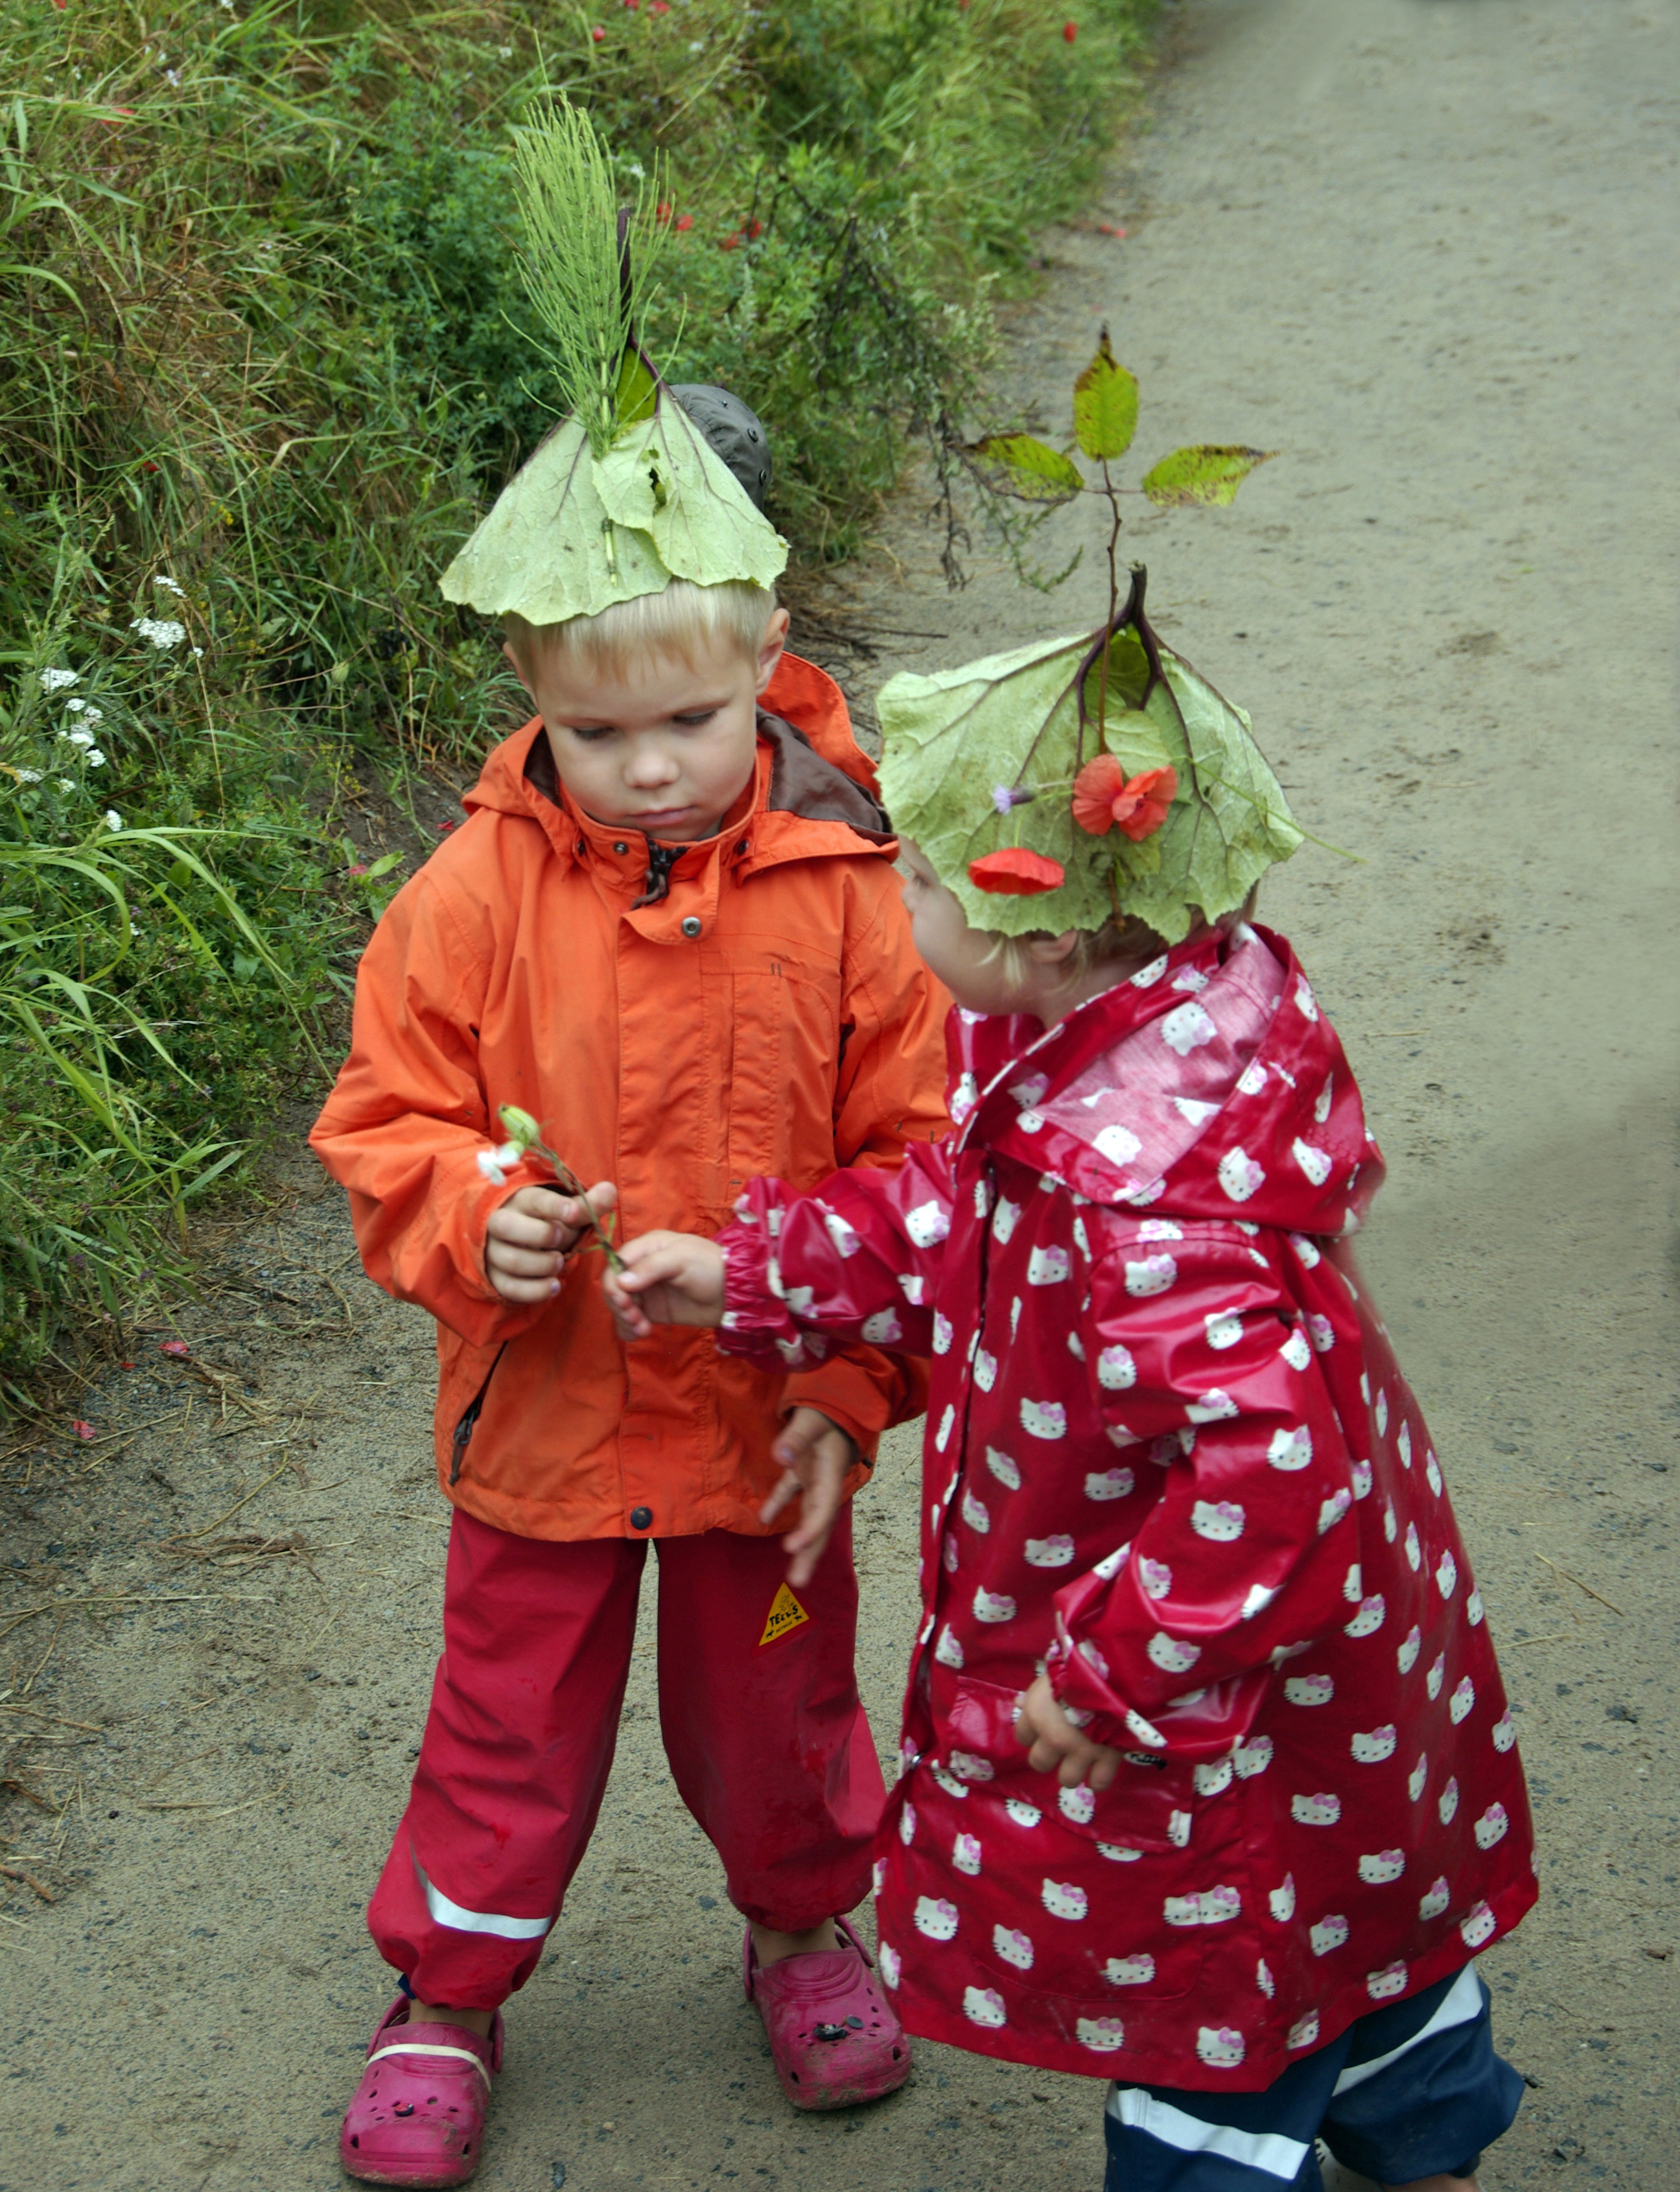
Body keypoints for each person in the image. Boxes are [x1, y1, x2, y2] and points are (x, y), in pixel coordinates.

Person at [605, 583, 1538, 2192]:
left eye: (914, 876)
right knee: (1354, 1934)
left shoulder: (1149, 1206)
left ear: (1029, 922)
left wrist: (1113, 1680)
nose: (897, 902)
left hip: (1211, 1714)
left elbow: (1271, 1472)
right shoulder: (1120, 1036)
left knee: (1218, 2023)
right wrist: (753, 1274)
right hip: (1326, 1701)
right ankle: (1426, 2143)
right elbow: (958, 1213)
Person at [309, 101, 948, 2191]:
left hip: (768, 1417)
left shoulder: (854, 888)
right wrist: (474, 1216)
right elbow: (384, 1111)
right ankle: (449, 1988)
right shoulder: (477, 893)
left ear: (771, 661)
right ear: (533, 701)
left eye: (688, 716)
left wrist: (852, 1379)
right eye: (599, 731)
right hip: (551, 1415)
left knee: (777, 1713)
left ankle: (803, 1921)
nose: (651, 764)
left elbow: (919, 1148)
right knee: (509, 1718)